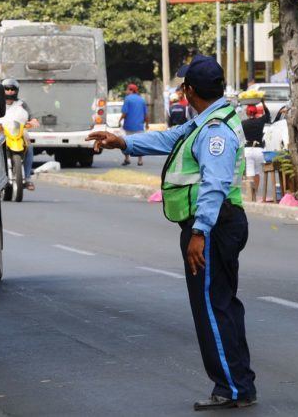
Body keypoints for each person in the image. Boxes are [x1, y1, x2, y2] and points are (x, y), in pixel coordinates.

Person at [87, 55, 257, 411]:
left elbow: (213, 185)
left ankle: (231, 387)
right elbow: (169, 139)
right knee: (223, 305)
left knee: (213, 309)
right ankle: (238, 383)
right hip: (215, 225)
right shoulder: (206, 121)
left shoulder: (215, 132)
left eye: (183, 86)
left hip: (213, 226)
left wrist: (200, 232)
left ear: (190, 91)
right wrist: (123, 142)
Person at [0, 79, 37, 191]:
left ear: (17, 91)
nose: (10, 92)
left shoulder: (22, 104)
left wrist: (33, 122)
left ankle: (28, 178)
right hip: (1, 133)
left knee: (29, 147)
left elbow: (32, 117)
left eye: (12, 89)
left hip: (19, 133)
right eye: (7, 89)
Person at [241, 100, 271, 201]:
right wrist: (263, 103)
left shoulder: (243, 123)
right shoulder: (260, 121)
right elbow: (268, 115)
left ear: (247, 112)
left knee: (250, 173)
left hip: (248, 149)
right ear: (256, 112)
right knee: (257, 172)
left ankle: (251, 195)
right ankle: (255, 193)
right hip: (259, 150)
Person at [120, 83, 148, 166]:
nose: (126, 91)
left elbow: (125, 113)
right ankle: (140, 161)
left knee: (125, 143)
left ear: (131, 90)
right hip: (139, 126)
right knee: (140, 143)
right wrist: (147, 124)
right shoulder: (142, 100)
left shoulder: (127, 99)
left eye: (127, 89)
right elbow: (146, 114)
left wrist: (120, 120)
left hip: (129, 125)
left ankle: (127, 159)